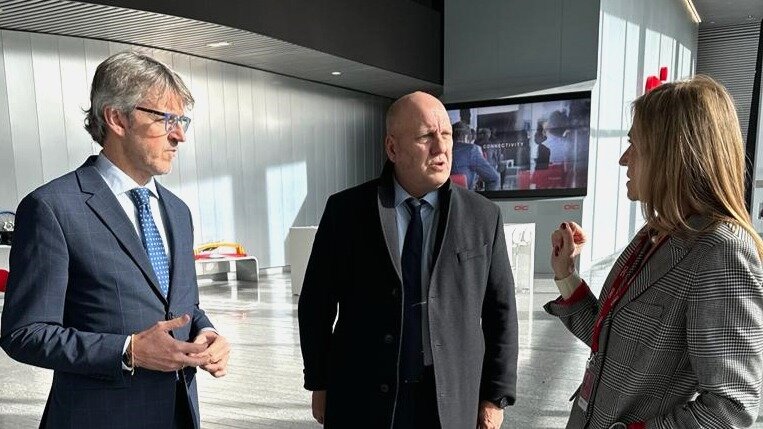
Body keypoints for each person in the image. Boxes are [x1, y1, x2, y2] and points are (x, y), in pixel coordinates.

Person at [0, 51, 231, 429]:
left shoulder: (177, 211)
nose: (180, 135)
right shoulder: (52, 207)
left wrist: (208, 332)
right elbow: (25, 333)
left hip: (178, 415)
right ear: (116, 117)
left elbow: (182, 305)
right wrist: (129, 351)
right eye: (165, 118)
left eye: (182, 120)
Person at [545, 75, 763, 429]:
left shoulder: (721, 252)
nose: (623, 159)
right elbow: (612, 344)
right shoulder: (654, 234)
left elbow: (729, 409)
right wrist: (566, 273)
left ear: (672, 152)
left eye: (635, 145)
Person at [298, 91, 518, 429]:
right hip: (363, 393)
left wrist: (495, 396)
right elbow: (316, 303)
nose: (441, 147)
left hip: (450, 397)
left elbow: (500, 311)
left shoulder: (483, 216)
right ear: (392, 148)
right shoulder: (346, 211)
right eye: (426, 136)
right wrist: (319, 381)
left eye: (446, 134)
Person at [451, 122, 501, 190]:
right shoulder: (471, 149)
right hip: (466, 198)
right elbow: (494, 179)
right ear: (466, 136)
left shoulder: (438, 150)